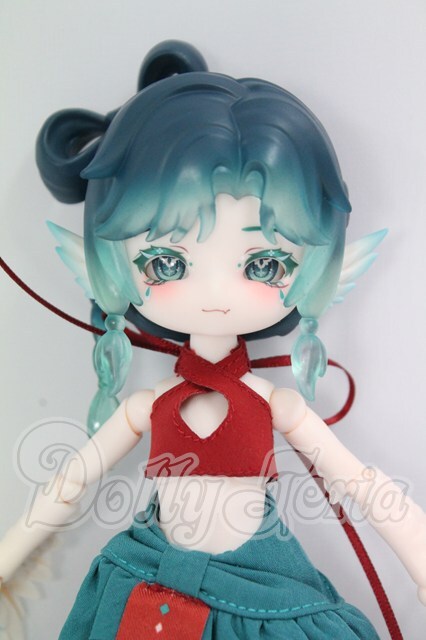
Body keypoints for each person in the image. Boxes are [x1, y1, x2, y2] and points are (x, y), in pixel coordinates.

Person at [0, 41, 424, 639]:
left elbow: (359, 484)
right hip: (146, 582)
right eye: (167, 263)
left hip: (260, 591)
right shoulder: (148, 407)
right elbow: (68, 485)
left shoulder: (276, 405)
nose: (218, 293)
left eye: (265, 264)